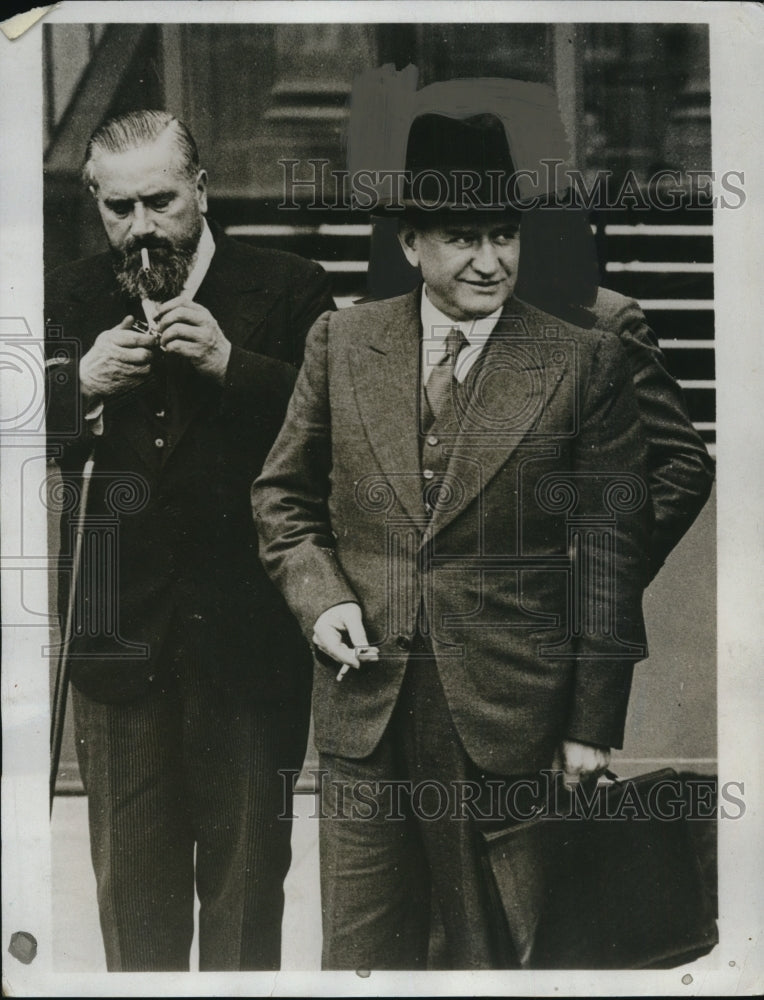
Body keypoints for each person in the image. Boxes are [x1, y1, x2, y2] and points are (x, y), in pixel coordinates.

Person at [252, 112, 655, 969]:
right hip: (366, 712)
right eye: (463, 237)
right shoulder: (341, 341)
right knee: (361, 958)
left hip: (510, 715)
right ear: (411, 244)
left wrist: (592, 722)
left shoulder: (583, 362)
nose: (490, 260)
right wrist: (320, 600)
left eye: (504, 235)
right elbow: (282, 498)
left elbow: (610, 551)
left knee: (490, 956)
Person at [45, 109, 334, 971]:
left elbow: (346, 436)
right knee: (134, 918)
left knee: (246, 909)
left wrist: (233, 369)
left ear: (202, 190)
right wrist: (79, 387)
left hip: (247, 647)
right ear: (95, 202)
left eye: (162, 202)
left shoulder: (290, 287)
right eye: (118, 208)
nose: (141, 230)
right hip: (115, 644)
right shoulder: (65, 296)